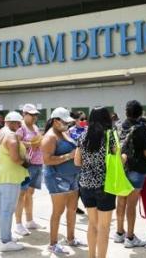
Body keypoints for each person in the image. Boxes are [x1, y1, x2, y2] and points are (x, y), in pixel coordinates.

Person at [74, 107, 117, 258]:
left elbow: (77, 162)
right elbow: (117, 159)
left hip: (86, 185)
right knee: (104, 227)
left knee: (92, 224)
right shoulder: (110, 135)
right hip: (105, 185)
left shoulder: (83, 136)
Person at [41, 107, 84, 254]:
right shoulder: (50, 137)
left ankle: (70, 238)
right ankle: (53, 244)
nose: (67, 124)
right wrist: (68, 156)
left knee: (72, 209)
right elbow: (47, 160)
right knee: (58, 211)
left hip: (72, 176)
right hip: (57, 178)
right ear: (55, 121)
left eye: (68, 122)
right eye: (64, 121)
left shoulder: (63, 133)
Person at [0, 111, 29, 252]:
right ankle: (5, 241)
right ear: (11, 122)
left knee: (3, 209)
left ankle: (6, 237)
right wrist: (26, 161)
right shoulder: (11, 136)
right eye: (18, 123)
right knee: (7, 210)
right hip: (8, 177)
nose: (19, 126)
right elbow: (16, 159)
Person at [115, 100, 146, 248]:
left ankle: (119, 233)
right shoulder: (141, 128)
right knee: (131, 204)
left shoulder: (119, 126)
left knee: (121, 201)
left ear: (126, 112)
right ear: (140, 112)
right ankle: (130, 237)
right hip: (137, 168)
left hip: (121, 167)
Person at [14, 104, 44, 236]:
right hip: (27, 164)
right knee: (21, 194)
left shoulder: (35, 127)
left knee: (30, 194)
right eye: (31, 114)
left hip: (37, 163)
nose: (34, 117)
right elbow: (15, 143)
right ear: (24, 114)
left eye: (36, 115)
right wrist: (31, 144)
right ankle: (18, 224)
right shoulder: (21, 127)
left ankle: (29, 220)